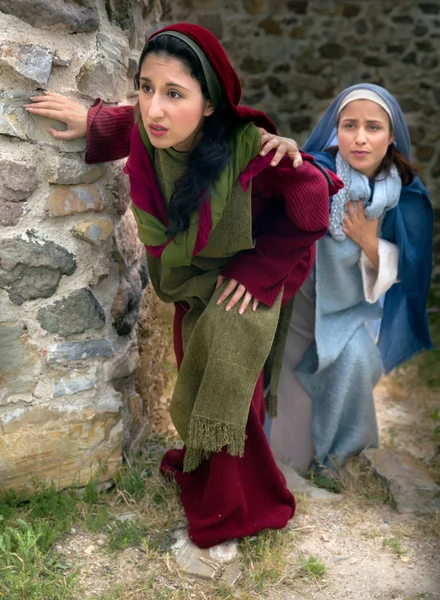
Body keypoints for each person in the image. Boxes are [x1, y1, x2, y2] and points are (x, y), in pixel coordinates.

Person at [26, 23, 342, 548]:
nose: (155, 108)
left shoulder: (252, 150)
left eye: (175, 93)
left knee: (230, 378)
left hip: (253, 272)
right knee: (193, 366)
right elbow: (132, 122)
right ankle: (202, 469)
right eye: (146, 87)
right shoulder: (153, 133)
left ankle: (241, 505)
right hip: (193, 279)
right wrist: (91, 120)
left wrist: (257, 272)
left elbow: (314, 201)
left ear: (211, 103)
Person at [266, 84, 433, 473]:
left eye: (373, 127)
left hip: (355, 312)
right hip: (300, 309)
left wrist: (370, 243)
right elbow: (272, 194)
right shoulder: (315, 173)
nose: (359, 138)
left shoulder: (404, 196)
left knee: (357, 361)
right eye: (349, 125)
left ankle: (349, 460)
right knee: (287, 456)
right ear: (334, 130)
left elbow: (406, 274)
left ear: (390, 137)